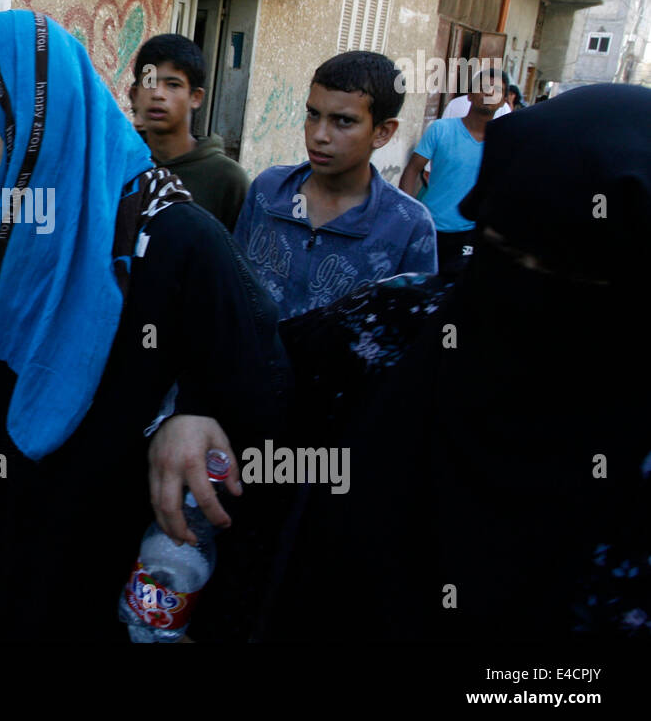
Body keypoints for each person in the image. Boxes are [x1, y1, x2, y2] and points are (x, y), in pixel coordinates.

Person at [0, 10, 291, 641]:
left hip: (104, 565)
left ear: (43, 104)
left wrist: (191, 411)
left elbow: (257, 387)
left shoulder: (174, 238)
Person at [264, 83, 651, 640]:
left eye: (571, 275)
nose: (527, 293)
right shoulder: (400, 322)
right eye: (506, 252)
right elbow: (258, 368)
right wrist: (195, 415)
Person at [232, 51, 437, 320]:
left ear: (382, 132)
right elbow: (232, 289)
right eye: (313, 115)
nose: (319, 135)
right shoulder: (268, 192)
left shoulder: (408, 225)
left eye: (344, 121)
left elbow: (411, 331)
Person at [130, 33, 249, 232]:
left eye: (173, 85)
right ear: (135, 95)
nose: (158, 94)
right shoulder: (121, 165)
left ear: (195, 97)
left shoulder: (227, 180)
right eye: (149, 82)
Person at [399, 66, 505, 273]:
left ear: (502, 101)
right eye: (484, 87)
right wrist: (405, 213)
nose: (490, 92)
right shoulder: (441, 129)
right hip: (430, 225)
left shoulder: (503, 142)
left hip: (470, 233)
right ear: (470, 94)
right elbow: (412, 170)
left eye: (497, 90)